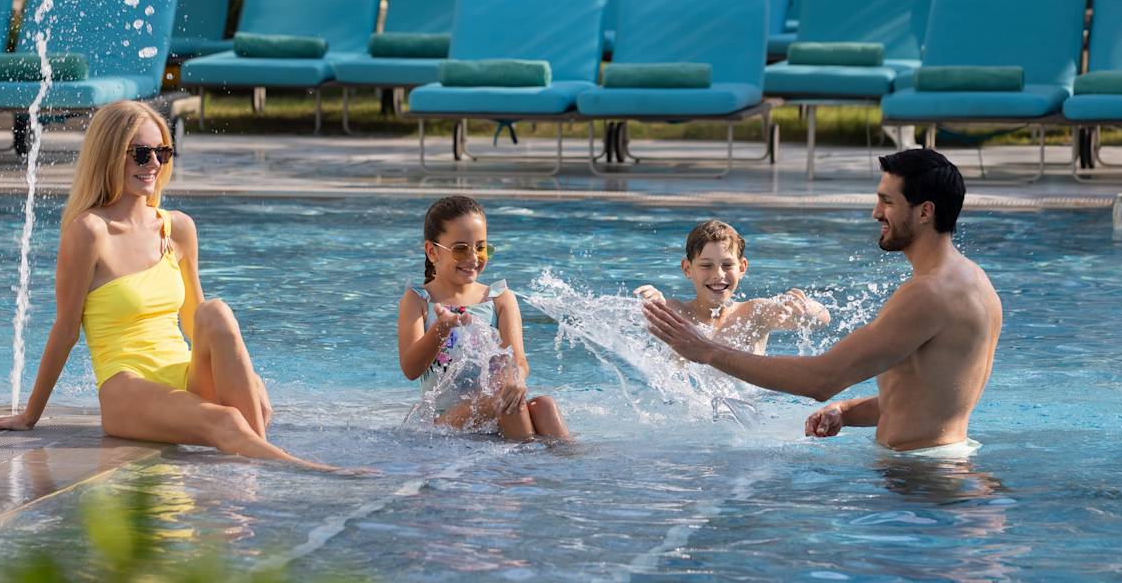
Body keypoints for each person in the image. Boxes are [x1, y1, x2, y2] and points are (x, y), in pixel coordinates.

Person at [0, 100, 334, 470]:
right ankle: (310, 472)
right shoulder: (89, 232)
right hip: (126, 387)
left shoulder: (178, 228)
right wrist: (29, 416)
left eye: (162, 152)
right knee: (226, 421)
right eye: (142, 154)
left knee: (216, 311)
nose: (154, 164)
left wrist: (246, 375)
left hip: (182, 374)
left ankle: (260, 460)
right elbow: (65, 330)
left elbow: (196, 322)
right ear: (109, 156)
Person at [643, 149, 1001, 456]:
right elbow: (929, 396)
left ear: (924, 212)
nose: (876, 213)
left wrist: (707, 351)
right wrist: (845, 412)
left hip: (922, 478)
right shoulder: (973, 281)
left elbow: (822, 379)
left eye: (888, 202)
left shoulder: (929, 293)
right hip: (939, 462)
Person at [396, 195, 570, 440]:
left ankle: (572, 461)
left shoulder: (499, 298)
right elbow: (411, 369)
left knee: (545, 406)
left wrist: (516, 377)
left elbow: (519, 360)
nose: (473, 258)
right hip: (444, 423)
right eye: (460, 249)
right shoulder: (418, 300)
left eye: (481, 247)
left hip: (497, 414)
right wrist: (442, 328)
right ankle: (525, 459)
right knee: (500, 395)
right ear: (432, 251)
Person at [632, 219, 830, 353]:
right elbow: (630, 326)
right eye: (706, 266)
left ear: (742, 268)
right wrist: (651, 306)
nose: (718, 275)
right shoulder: (676, 313)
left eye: (727, 265)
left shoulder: (754, 314)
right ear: (687, 268)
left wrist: (800, 308)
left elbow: (823, 318)